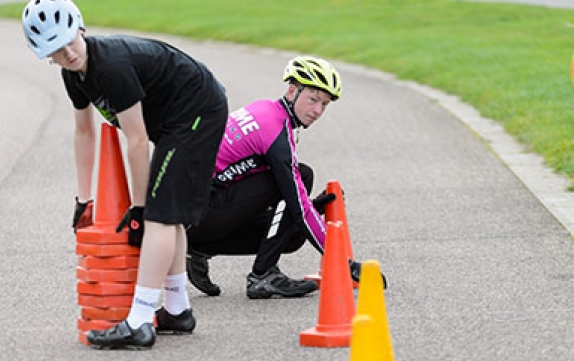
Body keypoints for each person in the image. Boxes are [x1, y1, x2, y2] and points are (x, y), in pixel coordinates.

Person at [22, 0, 228, 350]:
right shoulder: (74, 75)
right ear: (46, 55)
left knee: (159, 215)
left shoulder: (111, 66)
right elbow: (84, 132)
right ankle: (177, 310)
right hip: (172, 119)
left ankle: (138, 321)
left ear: (80, 29)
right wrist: (83, 199)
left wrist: (137, 207)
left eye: (70, 40)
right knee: (168, 212)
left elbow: (134, 139)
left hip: (197, 109)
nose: (68, 52)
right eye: (56, 49)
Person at [185, 56, 385, 299]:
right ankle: (263, 274)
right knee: (300, 177)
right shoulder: (275, 132)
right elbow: (297, 204)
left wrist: (313, 207)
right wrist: (345, 263)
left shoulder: (264, 109)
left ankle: (198, 249)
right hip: (198, 213)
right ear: (292, 91)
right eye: (313, 99)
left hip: (193, 216)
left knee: (292, 236)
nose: (317, 111)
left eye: (324, 104)